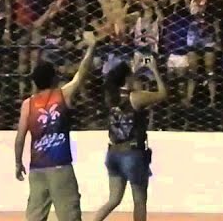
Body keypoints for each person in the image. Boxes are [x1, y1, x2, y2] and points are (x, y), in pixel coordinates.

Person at [14, 34, 101, 221]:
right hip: (60, 167)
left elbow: (20, 137)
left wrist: (18, 163)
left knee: (35, 217)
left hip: (37, 168)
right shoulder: (63, 95)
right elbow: (81, 74)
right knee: (70, 216)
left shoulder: (28, 105)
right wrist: (91, 47)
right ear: (54, 79)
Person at [92, 58, 169, 221]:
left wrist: (133, 70)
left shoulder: (110, 97)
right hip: (132, 153)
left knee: (113, 199)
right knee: (139, 201)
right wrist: (154, 69)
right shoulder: (135, 97)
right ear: (127, 78)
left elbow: (126, 83)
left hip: (113, 153)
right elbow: (162, 94)